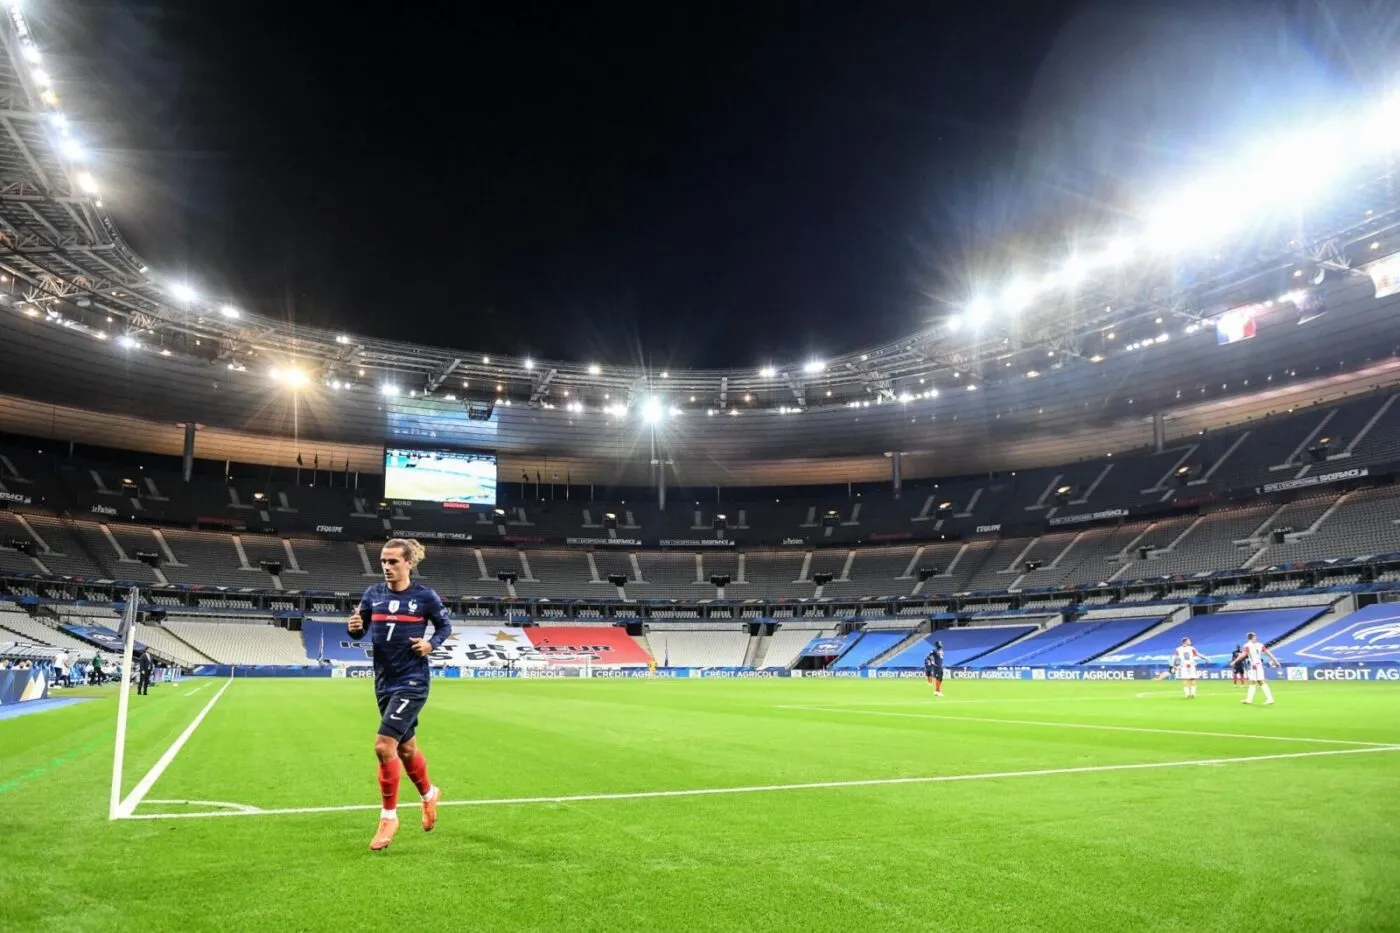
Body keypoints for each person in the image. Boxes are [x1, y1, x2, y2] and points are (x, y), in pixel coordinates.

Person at [347, 538, 452, 852]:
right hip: (383, 682)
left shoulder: (424, 596)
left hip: (412, 681)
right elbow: (358, 629)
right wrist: (353, 627)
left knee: (383, 745)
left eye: (393, 561)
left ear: (409, 563)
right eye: (383, 561)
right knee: (406, 751)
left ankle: (389, 817)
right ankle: (429, 794)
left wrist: (430, 645)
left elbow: (444, 626)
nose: (387, 567)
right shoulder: (372, 594)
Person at [1232, 632, 1280, 706]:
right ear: (1251, 638)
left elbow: (1243, 655)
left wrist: (1234, 661)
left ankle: (1269, 699)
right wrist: (1275, 661)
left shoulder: (1248, 645)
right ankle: (1250, 699)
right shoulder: (1257, 645)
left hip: (1255, 666)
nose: (1256, 638)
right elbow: (1268, 653)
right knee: (1253, 682)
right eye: (1255, 637)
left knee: (1260, 682)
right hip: (1256, 666)